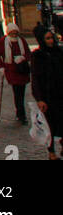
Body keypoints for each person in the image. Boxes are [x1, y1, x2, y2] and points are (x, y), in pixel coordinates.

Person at [31, 28, 63, 160]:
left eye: (51, 38)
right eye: (47, 38)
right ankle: (51, 151)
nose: (51, 41)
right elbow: (36, 79)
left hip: (61, 93)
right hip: (48, 96)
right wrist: (39, 99)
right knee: (49, 125)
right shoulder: (38, 55)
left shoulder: (60, 52)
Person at [0, 22, 32, 124]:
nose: (14, 35)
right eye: (12, 33)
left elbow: (28, 52)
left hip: (22, 69)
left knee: (21, 93)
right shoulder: (3, 41)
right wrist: (1, 66)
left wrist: (23, 57)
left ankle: (20, 113)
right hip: (11, 70)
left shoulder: (21, 40)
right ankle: (21, 114)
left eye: (16, 33)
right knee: (17, 92)